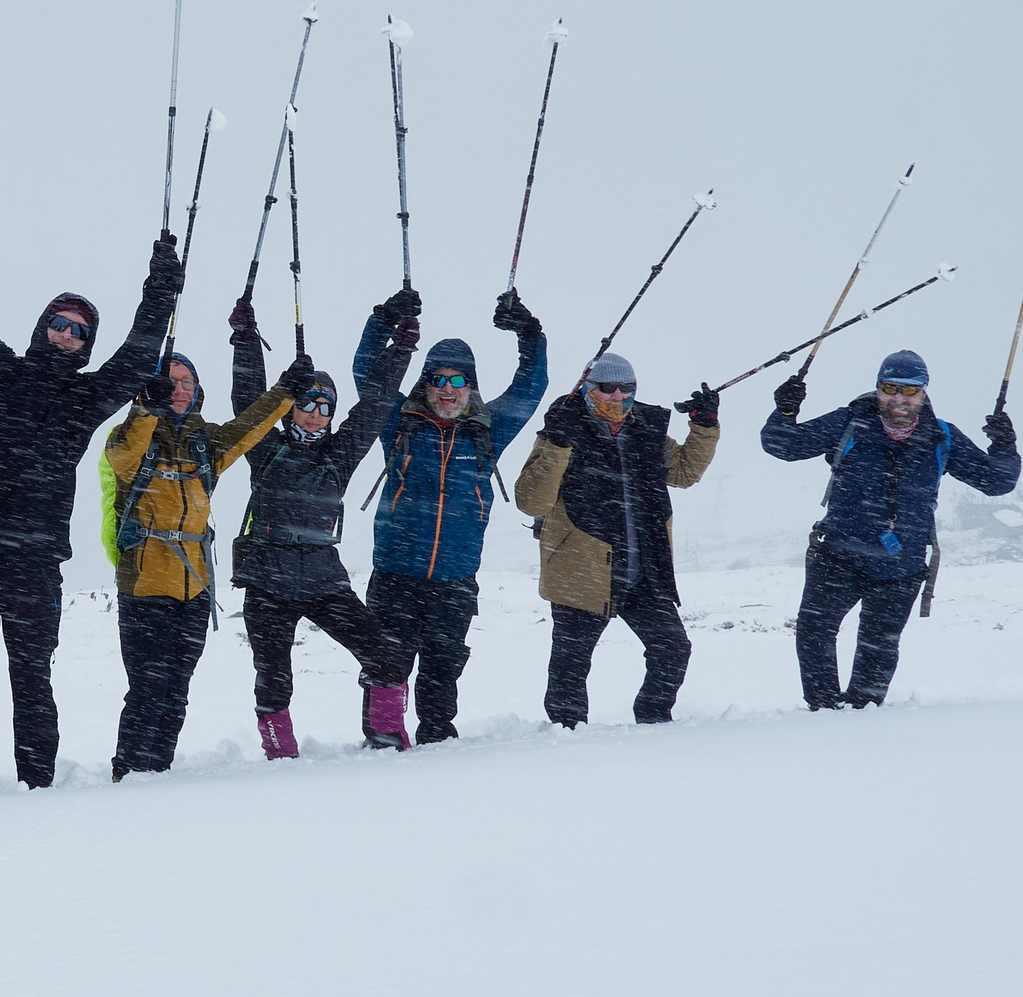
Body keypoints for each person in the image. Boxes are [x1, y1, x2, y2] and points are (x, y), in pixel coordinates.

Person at [0, 157, 182, 789]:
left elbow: (141, 351)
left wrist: (160, 286)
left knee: (32, 678)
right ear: (41, 327)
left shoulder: (87, 399)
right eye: (58, 323)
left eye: (79, 331)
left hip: (35, 562)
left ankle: (39, 788)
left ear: (87, 346)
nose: (65, 335)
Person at [760, 350, 1020, 708]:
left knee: (879, 646)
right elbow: (782, 445)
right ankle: (821, 711)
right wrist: (786, 410)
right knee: (814, 632)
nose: (899, 398)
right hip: (838, 557)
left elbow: (996, 482)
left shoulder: (942, 437)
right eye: (890, 388)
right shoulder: (849, 423)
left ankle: (863, 717)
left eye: (910, 391)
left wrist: (1005, 444)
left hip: (901, 567)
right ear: (878, 389)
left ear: (924, 394)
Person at [102, 345, 305, 777]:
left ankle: (158, 771)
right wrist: (145, 408)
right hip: (143, 587)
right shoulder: (131, 437)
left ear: (198, 391)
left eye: (186, 382)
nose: (178, 389)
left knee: (177, 689)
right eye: (169, 381)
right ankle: (129, 772)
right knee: (147, 688)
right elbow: (120, 458)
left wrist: (287, 391)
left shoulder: (205, 441)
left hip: (194, 590)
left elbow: (249, 427)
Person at [228, 294, 417, 756]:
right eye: (306, 402)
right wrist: (245, 340)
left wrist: (401, 350)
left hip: (321, 578)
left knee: (387, 659)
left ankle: (387, 736)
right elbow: (249, 401)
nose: (314, 412)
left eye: (324, 406)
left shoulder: (340, 454)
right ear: (291, 405)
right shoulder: (266, 449)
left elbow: (373, 406)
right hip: (267, 578)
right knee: (273, 676)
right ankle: (280, 752)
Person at [361, 288, 549, 742]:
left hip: (456, 577)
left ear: (471, 386)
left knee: (443, 667)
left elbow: (532, 386)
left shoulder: (488, 430)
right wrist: (384, 322)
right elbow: (367, 372)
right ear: (424, 384)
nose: (448, 390)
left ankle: (438, 743)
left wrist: (530, 333)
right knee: (386, 664)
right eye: (438, 380)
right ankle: (382, 742)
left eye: (458, 380)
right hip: (395, 573)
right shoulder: (399, 421)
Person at [514, 352, 719, 727]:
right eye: (606, 388)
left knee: (673, 649)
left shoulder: (647, 430)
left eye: (626, 388)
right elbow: (531, 500)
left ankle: (654, 721)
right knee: (570, 665)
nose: (616, 396)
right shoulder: (563, 428)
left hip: (644, 572)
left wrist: (704, 425)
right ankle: (565, 733)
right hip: (580, 571)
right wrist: (557, 443)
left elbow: (685, 473)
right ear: (589, 389)